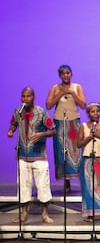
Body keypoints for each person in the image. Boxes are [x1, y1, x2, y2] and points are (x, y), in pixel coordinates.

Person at [7, 87, 56, 223]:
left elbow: (53, 130)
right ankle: (23, 214)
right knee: (23, 185)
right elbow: (13, 125)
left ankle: (45, 214)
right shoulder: (18, 111)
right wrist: (11, 131)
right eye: (23, 96)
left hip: (39, 155)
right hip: (22, 154)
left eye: (28, 96)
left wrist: (41, 134)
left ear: (33, 97)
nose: (25, 99)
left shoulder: (41, 113)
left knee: (43, 185)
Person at [46, 64, 86, 193]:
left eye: (68, 73)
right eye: (63, 73)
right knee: (62, 152)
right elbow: (48, 105)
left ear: (71, 74)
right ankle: (66, 182)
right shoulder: (55, 88)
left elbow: (84, 105)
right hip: (60, 122)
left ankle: (82, 181)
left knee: (77, 153)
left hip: (74, 123)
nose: (66, 75)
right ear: (60, 75)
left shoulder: (77, 87)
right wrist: (60, 94)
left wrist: (73, 93)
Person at [77, 102, 100, 222]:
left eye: (97, 111)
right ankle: (90, 213)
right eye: (93, 111)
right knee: (89, 186)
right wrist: (89, 137)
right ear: (88, 113)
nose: (96, 113)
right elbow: (78, 144)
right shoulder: (83, 126)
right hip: (88, 158)